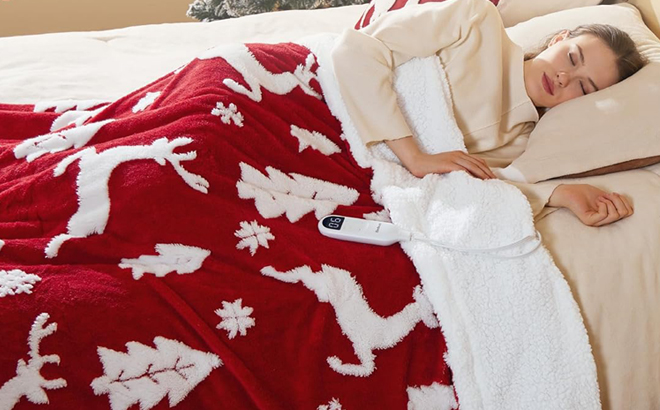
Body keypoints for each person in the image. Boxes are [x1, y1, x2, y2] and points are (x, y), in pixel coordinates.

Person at [331, 0, 648, 227]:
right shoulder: (477, 20)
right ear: (558, 38)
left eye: (583, 87)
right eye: (572, 57)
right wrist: (414, 156)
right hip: (317, 90)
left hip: (348, 167)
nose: (565, 77)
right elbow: (357, 49)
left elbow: (484, 185)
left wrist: (561, 194)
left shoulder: (521, 140)